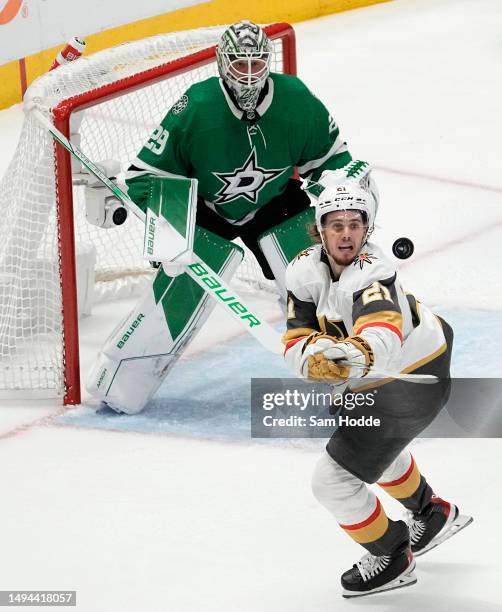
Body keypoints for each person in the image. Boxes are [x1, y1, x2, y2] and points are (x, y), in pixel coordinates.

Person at [86, 20, 377, 414]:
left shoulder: (296, 99)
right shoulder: (197, 106)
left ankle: (342, 373)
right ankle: (119, 384)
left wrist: (341, 193)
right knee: (178, 291)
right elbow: (144, 176)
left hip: (274, 203)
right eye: (240, 65)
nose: (250, 75)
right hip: (206, 208)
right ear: (222, 64)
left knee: (317, 278)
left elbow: (334, 161)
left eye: (257, 64)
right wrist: (168, 227)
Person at [282, 170, 472, 598]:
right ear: (320, 229)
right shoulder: (304, 270)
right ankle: (432, 514)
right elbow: (297, 336)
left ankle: (392, 555)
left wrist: (347, 359)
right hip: (407, 363)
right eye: (336, 225)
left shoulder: (372, 273)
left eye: (355, 224)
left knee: (331, 481)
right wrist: (310, 359)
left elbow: (381, 335)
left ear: (367, 229)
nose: (346, 235)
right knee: (373, 446)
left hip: (410, 378)